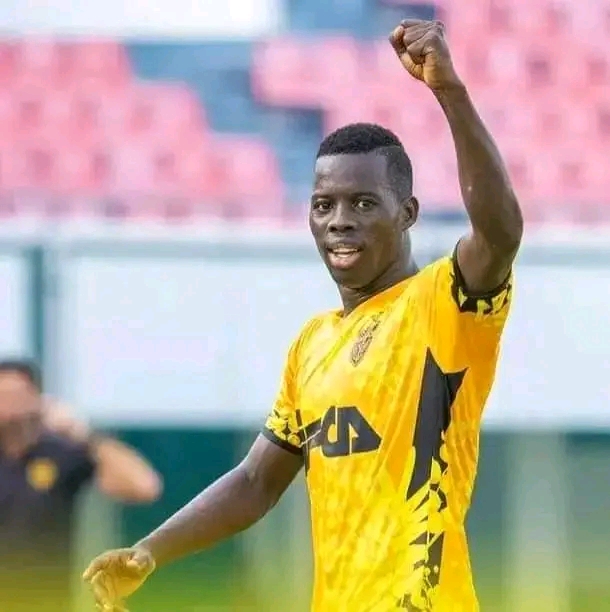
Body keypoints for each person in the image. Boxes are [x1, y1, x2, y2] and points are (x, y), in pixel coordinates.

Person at [83, 18, 523, 612]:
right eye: (323, 205)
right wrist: (150, 551)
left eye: (363, 203)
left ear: (408, 213)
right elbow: (256, 482)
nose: (339, 220)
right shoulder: (312, 343)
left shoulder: (442, 305)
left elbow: (499, 234)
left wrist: (450, 91)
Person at [0, 358, 163, 612]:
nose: (8, 405)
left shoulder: (61, 451)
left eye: (16, 395)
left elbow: (144, 487)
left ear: (37, 400)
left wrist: (83, 433)